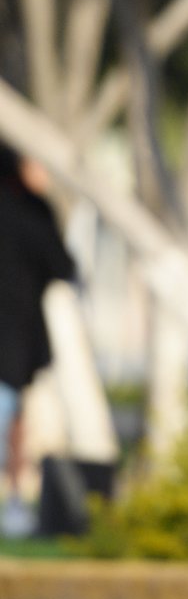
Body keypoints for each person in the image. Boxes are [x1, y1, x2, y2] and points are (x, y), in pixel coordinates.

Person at [0, 145, 76, 536]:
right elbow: (63, 265)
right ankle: (12, 503)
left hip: (15, 338)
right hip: (15, 337)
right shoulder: (29, 209)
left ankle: (12, 503)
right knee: (11, 420)